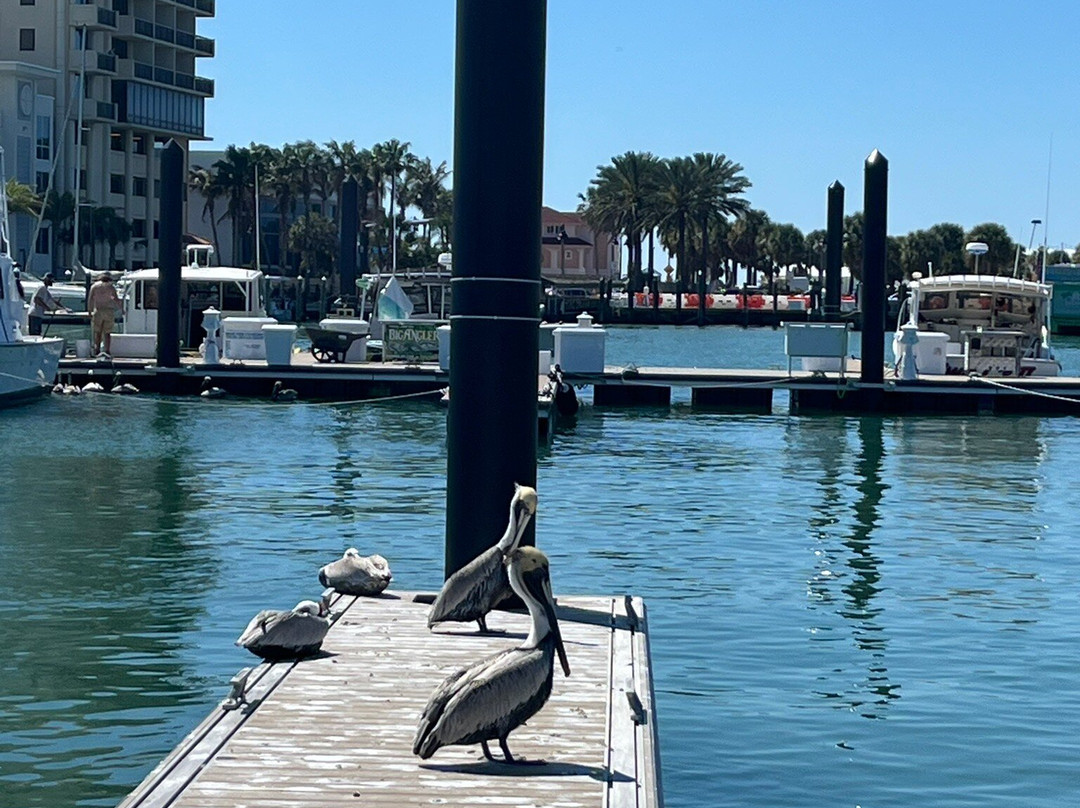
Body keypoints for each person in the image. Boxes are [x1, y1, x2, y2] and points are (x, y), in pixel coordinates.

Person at [87, 272, 121, 356]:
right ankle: (107, 350)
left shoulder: (94, 286)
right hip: (108, 310)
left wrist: (89, 311)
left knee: (97, 332)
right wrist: (122, 308)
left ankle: (97, 349)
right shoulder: (110, 287)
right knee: (107, 333)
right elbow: (116, 299)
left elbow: (90, 299)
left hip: (98, 310)